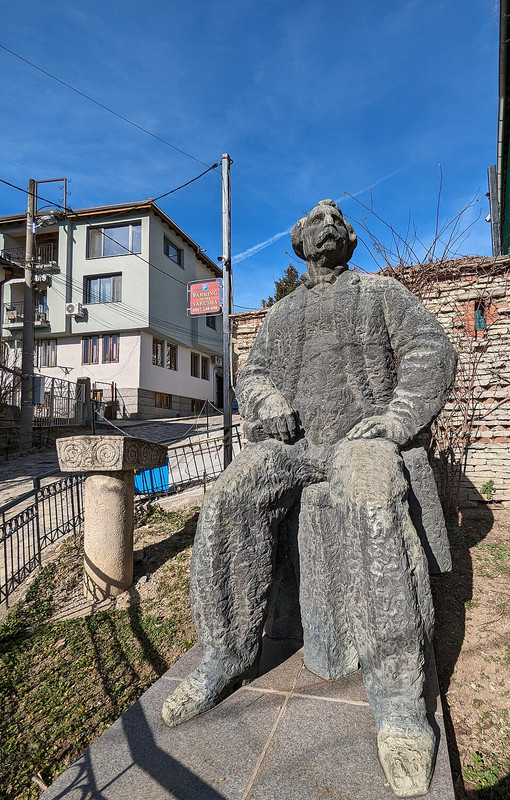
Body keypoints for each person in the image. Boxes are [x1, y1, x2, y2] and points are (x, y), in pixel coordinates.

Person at [162, 200, 456, 797]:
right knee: (231, 491)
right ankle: (225, 653)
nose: (326, 221)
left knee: (372, 493)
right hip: (296, 446)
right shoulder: (282, 313)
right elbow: (254, 375)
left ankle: (400, 704)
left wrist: (398, 419)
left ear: (347, 240)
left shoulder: (379, 294)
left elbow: (432, 349)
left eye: (336, 218)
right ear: (298, 241)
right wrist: (265, 402)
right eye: (315, 217)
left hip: (359, 441)